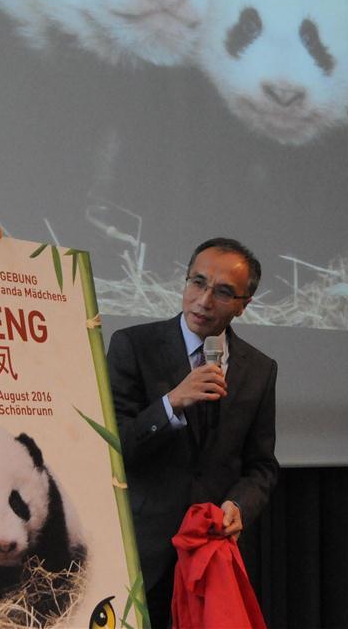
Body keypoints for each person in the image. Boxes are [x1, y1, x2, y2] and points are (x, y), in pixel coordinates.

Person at [108, 237, 278, 628]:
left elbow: (261, 466)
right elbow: (114, 445)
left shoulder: (259, 368)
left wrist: (237, 507)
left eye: (222, 292)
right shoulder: (134, 346)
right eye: (197, 283)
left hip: (210, 555)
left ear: (243, 304)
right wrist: (170, 404)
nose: (203, 301)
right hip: (143, 552)